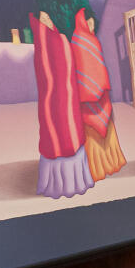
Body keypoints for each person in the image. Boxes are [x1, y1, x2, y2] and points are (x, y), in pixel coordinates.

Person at [32, 11, 93, 199]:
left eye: (49, 18)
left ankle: (74, 179)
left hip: (68, 97)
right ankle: (60, 184)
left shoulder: (57, 38)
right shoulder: (46, 42)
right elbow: (48, 72)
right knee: (58, 130)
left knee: (69, 128)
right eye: (44, 19)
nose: (48, 20)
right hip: (55, 100)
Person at [72, 7, 125, 181]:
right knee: (92, 133)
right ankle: (97, 168)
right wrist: (92, 90)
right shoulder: (77, 42)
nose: (92, 25)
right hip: (87, 98)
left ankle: (111, 162)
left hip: (101, 95)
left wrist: (101, 87)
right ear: (82, 22)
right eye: (89, 22)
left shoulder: (93, 40)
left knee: (107, 129)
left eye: (93, 23)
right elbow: (81, 70)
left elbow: (99, 66)